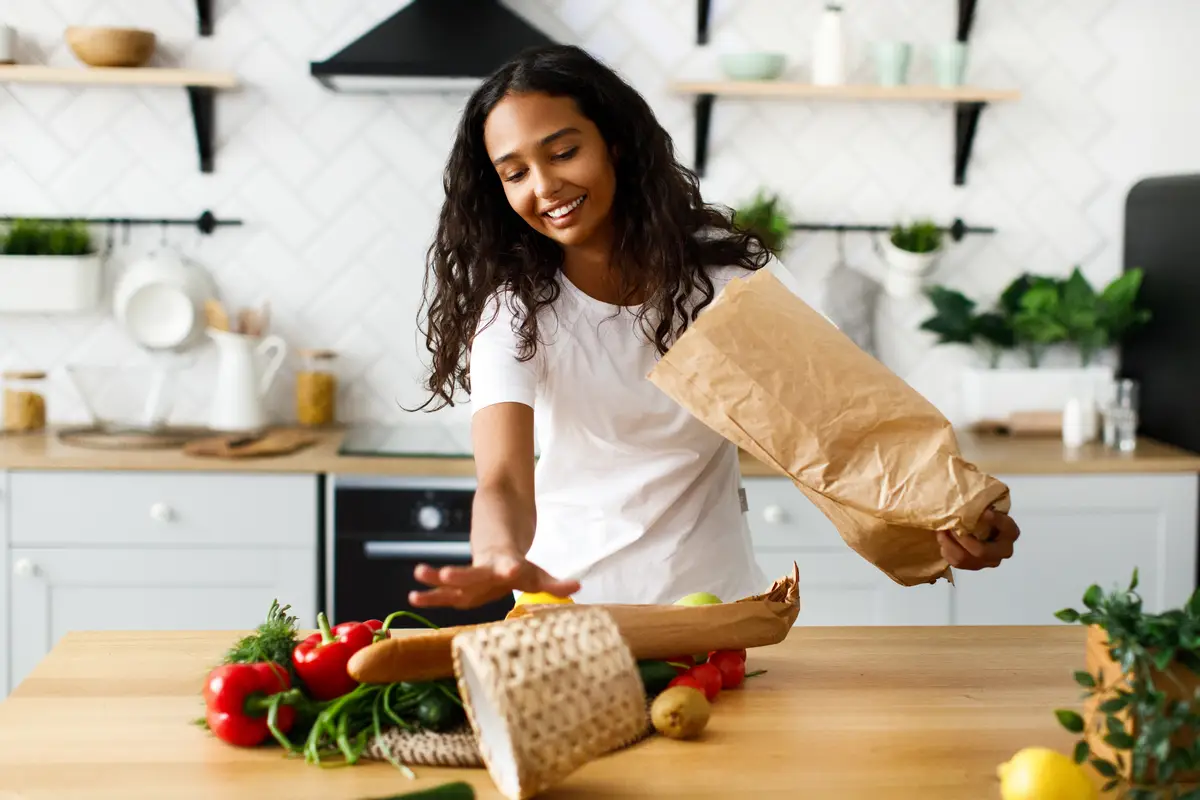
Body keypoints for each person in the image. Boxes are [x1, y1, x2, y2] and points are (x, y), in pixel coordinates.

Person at [408, 44, 1019, 611]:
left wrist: (952, 510)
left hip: (716, 610)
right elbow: (504, 479)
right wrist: (496, 555)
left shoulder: (724, 274)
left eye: (564, 152)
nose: (544, 186)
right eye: (515, 173)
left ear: (615, 143)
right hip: (568, 609)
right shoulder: (514, 310)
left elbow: (841, 424)